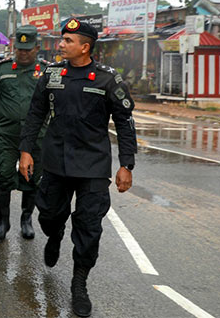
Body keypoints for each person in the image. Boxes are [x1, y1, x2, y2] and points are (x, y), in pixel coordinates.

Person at [19, 19, 137, 317]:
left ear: (85, 47)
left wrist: (126, 164)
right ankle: (55, 234)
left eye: (68, 41)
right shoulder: (52, 74)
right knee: (47, 215)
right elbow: (35, 113)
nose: (61, 44)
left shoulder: (108, 79)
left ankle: (79, 282)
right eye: (62, 40)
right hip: (56, 162)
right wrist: (25, 151)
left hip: (93, 167)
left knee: (89, 226)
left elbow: (124, 122)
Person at [0, 25, 47, 241]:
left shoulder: (46, 71)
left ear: (37, 47)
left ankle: (26, 219)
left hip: (36, 137)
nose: (23, 53)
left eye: (28, 49)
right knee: (3, 176)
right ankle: (3, 221)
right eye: (19, 49)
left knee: (33, 179)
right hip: (7, 134)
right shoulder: (2, 69)